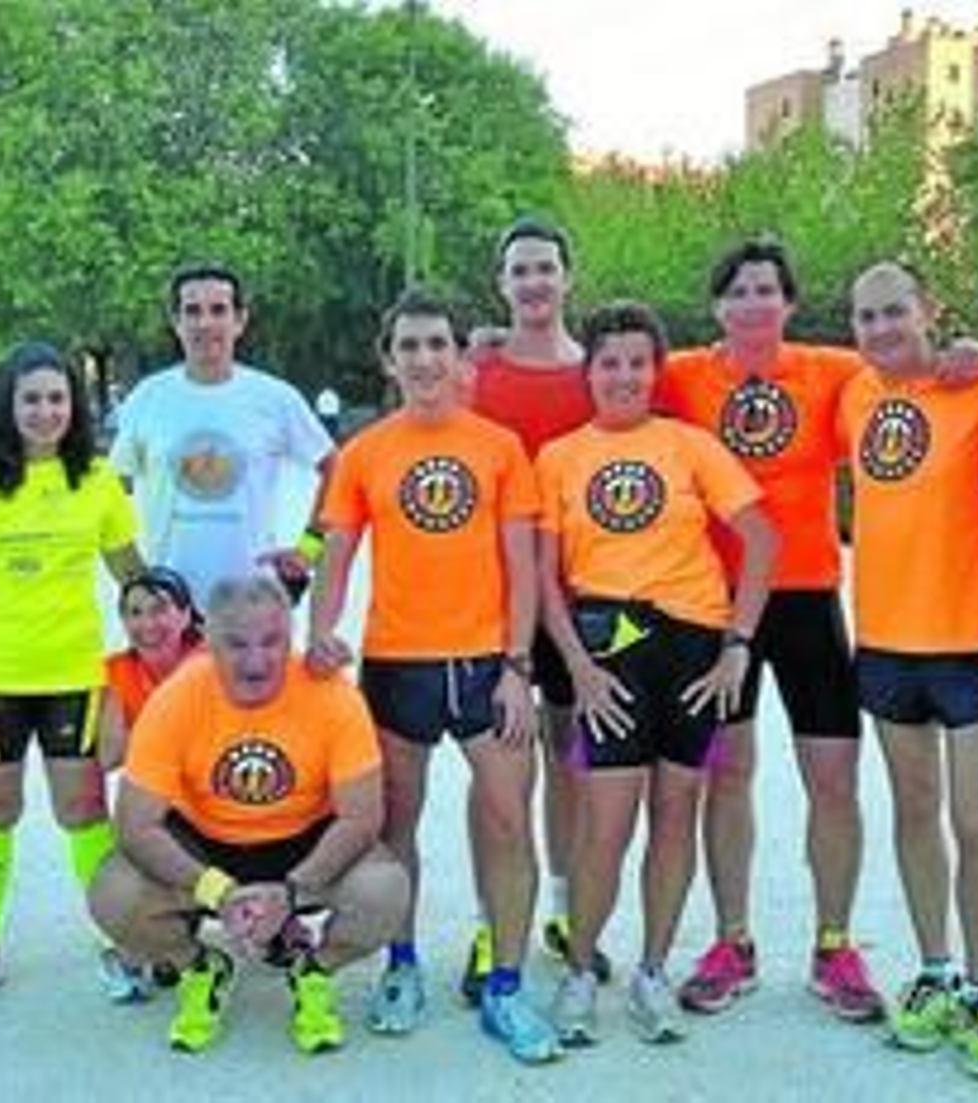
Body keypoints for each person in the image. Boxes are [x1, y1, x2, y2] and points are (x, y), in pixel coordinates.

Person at [309, 289, 560, 1064]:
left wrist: (519, 667)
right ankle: (403, 964)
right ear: (389, 361)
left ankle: (508, 983)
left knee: (510, 820)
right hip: (397, 664)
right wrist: (320, 631)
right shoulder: (365, 452)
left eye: (436, 345)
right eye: (408, 346)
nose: (423, 359)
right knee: (393, 826)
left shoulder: (499, 446)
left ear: (459, 356)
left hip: (486, 664)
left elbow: (523, 566)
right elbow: (338, 555)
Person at [654, 239, 886, 1022]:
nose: (753, 303)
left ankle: (834, 942)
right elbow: (596, 372)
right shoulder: (682, 374)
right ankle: (732, 940)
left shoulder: (835, 370)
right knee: (729, 772)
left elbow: (911, 377)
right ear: (716, 306)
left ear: (789, 303)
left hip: (809, 599)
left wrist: (959, 351)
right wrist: (482, 347)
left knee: (834, 778)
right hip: (714, 607)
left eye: (767, 290)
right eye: (738, 291)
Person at [539, 302, 777, 1047]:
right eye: (609, 362)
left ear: (656, 370)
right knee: (605, 820)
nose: (623, 375)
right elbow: (546, 579)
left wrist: (738, 644)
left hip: (696, 647)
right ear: (589, 372)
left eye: (637, 362)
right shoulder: (559, 456)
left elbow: (761, 538)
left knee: (678, 810)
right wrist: (577, 665)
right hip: (610, 639)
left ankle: (652, 970)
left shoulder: (688, 444)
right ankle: (581, 969)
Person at [90, 576, 407, 1055]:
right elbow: (135, 824)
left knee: (385, 889)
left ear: (291, 634)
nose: (257, 662)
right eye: (236, 644)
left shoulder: (333, 695)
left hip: (304, 842)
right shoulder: (176, 697)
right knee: (113, 894)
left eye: (273, 641)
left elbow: (362, 818)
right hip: (205, 844)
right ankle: (201, 966)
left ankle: (313, 970)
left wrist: (292, 891)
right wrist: (218, 892)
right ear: (208, 639)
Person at [840, 263, 978, 1079]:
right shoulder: (855, 394)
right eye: (866, 317)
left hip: (974, 642)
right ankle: (936, 969)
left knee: (977, 822)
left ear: (929, 313)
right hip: (884, 638)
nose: (880, 329)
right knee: (916, 810)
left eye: (894, 312)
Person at [0, 341, 143, 1006]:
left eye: (57, 398)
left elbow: (133, 577)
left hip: (72, 676)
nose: (46, 410)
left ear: (73, 406)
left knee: (82, 810)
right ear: (9, 406)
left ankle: (116, 937)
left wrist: (174, 646)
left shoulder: (98, 481)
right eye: (32, 398)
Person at [463, 217, 612, 1000]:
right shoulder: (475, 370)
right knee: (497, 775)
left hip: (582, 602)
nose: (533, 282)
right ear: (502, 283)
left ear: (567, 276)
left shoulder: (598, 372)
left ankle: (559, 906)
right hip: (492, 601)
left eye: (545, 267)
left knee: (572, 765)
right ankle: (494, 923)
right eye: (519, 270)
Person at [108, 263, 334, 604]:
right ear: (176, 322)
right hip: (169, 609)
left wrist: (310, 547)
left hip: (251, 607)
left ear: (240, 320)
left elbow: (336, 468)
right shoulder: (148, 398)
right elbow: (109, 491)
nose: (205, 323)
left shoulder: (275, 398)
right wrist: (136, 577)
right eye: (192, 311)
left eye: (218, 310)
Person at [93, 565, 206, 1000]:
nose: (147, 624)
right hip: (162, 807)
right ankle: (168, 940)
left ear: (185, 615)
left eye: (160, 610)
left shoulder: (210, 662)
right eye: (134, 613)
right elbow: (108, 757)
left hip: (219, 807)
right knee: (139, 838)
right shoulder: (117, 671)